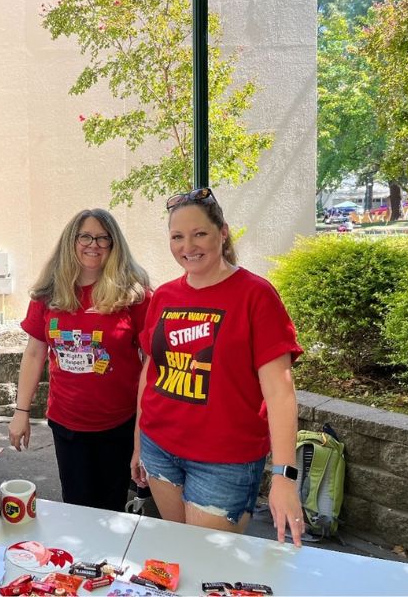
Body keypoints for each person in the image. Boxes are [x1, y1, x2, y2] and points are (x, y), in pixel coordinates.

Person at [130, 187, 305, 546]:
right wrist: (138, 442)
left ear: (222, 232)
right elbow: (152, 372)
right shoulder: (164, 295)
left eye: (200, 234)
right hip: (160, 448)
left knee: (209, 562)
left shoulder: (256, 295)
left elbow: (280, 391)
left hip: (225, 461)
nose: (187, 246)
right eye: (177, 236)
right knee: (180, 549)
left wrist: (285, 477)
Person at [8, 208, 151, 512]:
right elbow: (34, 354)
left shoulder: (133, 294)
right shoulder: (48, 293)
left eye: (103, 238)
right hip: (67, 425)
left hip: (119, 425)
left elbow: (151, 362)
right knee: (76, 506)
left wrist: (143, 430)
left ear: (114, 245)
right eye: (85, 236)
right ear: (71, 242)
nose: (93, 244)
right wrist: (21, 411)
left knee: (113, 508)